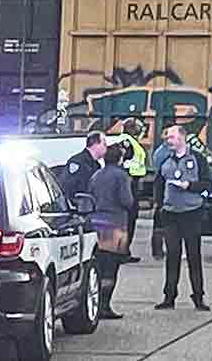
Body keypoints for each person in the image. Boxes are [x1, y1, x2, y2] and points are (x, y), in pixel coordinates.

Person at [154, 125, 212, 311]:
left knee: (194, 256)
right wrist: (161, 205)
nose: (168, 140)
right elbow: (158, 185)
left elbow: (208, 183)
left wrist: (190, 186)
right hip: (171, 214)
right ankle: (169, 296)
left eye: (171, 137)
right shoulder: (165, 160)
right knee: (172, 255)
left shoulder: (198, 159)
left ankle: (198, 297)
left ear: (181, 138)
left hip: (191, 212)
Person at [87, 144, 134, 320]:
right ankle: (105, 305)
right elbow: (126, 200)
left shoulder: (96, 175)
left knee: (99, 265)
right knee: (111, 267)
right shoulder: (121, 176)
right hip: (115, 224)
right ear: (120, 159)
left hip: (96, 223)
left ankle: (96, 303)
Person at [119, 119, 148, 264]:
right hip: (129, 183)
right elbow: (125, 162)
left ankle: (125, 250)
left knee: (130, 220)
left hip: (133, 182)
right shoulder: (126, 142)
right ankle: (123, 252)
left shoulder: (130, 141)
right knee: (128, 220)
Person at [59, 131, 107, 202]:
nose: (106, 148)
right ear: (96, 145)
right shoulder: (77, 161)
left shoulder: (96, 165)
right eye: (104, 144)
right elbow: (68, 187)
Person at [150, 141, 170, 259]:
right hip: (165, 195)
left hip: (161, 195)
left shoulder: (160, 151)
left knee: (158, 225)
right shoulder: (165, 154)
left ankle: (157, 251)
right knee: (161, 225)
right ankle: (158, 251)